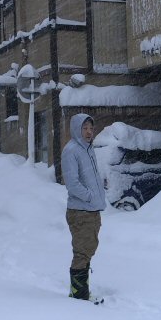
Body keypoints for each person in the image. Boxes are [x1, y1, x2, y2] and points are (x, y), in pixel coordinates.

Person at [61, 113, 106, 301]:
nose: (88, 132)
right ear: (76, 129)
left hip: (91, 209)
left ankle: (82, 291)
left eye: (90, 128)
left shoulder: (88, 149)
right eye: (84, 128)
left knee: (88, 249)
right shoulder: (71, 150)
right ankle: (78, 294)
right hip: (80, 211)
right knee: (82, 252)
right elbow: (72, 183)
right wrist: (90, 196)